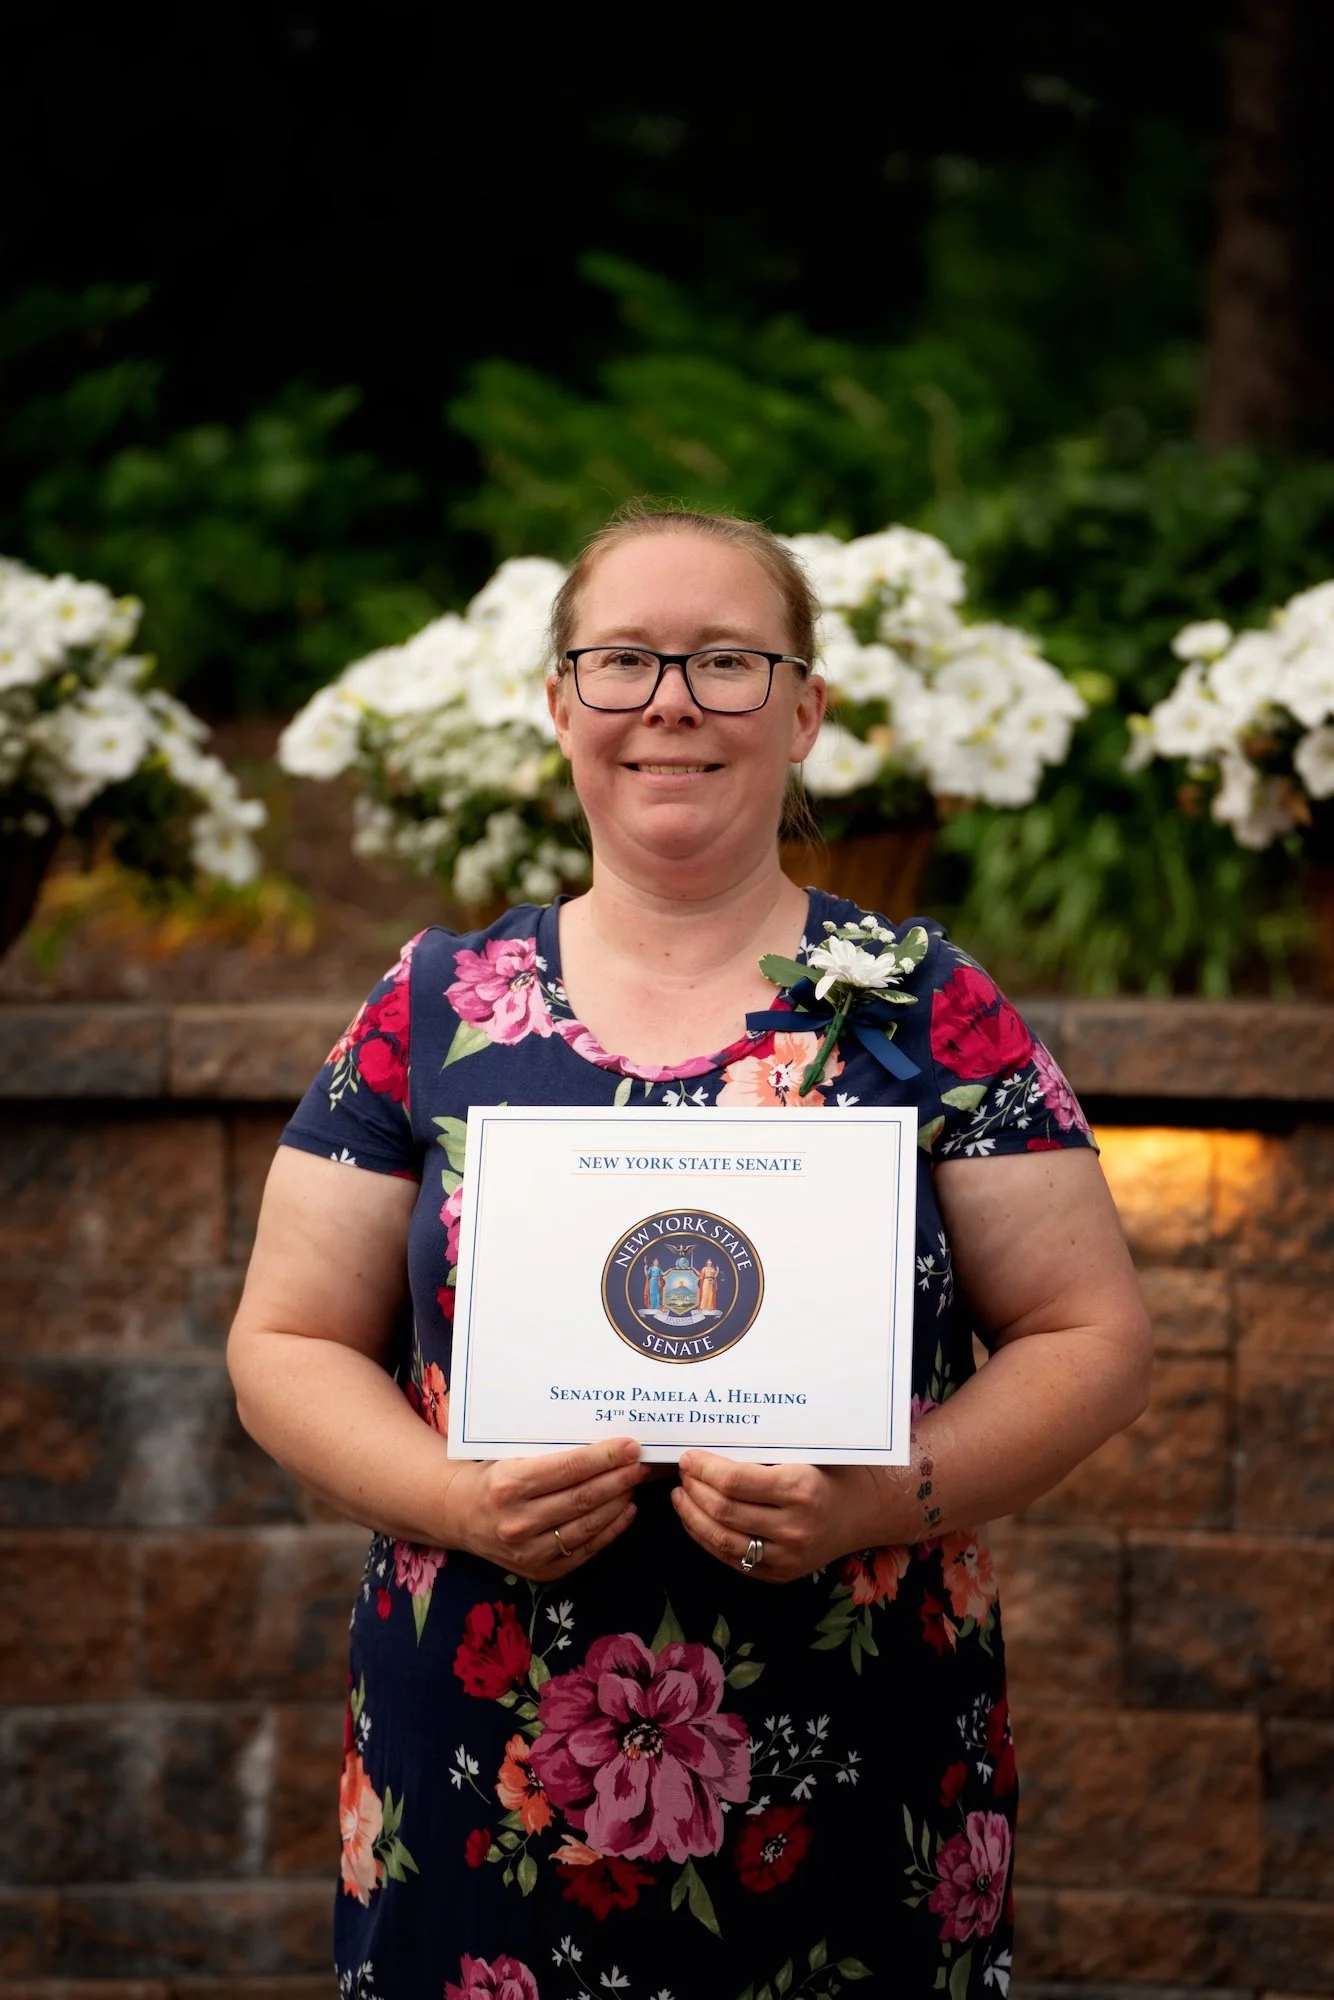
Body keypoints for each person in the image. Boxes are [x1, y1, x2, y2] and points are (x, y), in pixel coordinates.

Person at [227, 505, 1150, 2000]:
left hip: (857, 1740)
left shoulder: (930, 1006)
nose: (670, 701)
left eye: (727, 661)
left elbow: (1088, 1337)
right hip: (485, 1751)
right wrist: (457, 1499)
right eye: (622, 661)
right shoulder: (433, 1004)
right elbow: (280, 1345)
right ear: (558, 704)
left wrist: (880, 1501)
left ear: (804, 711)